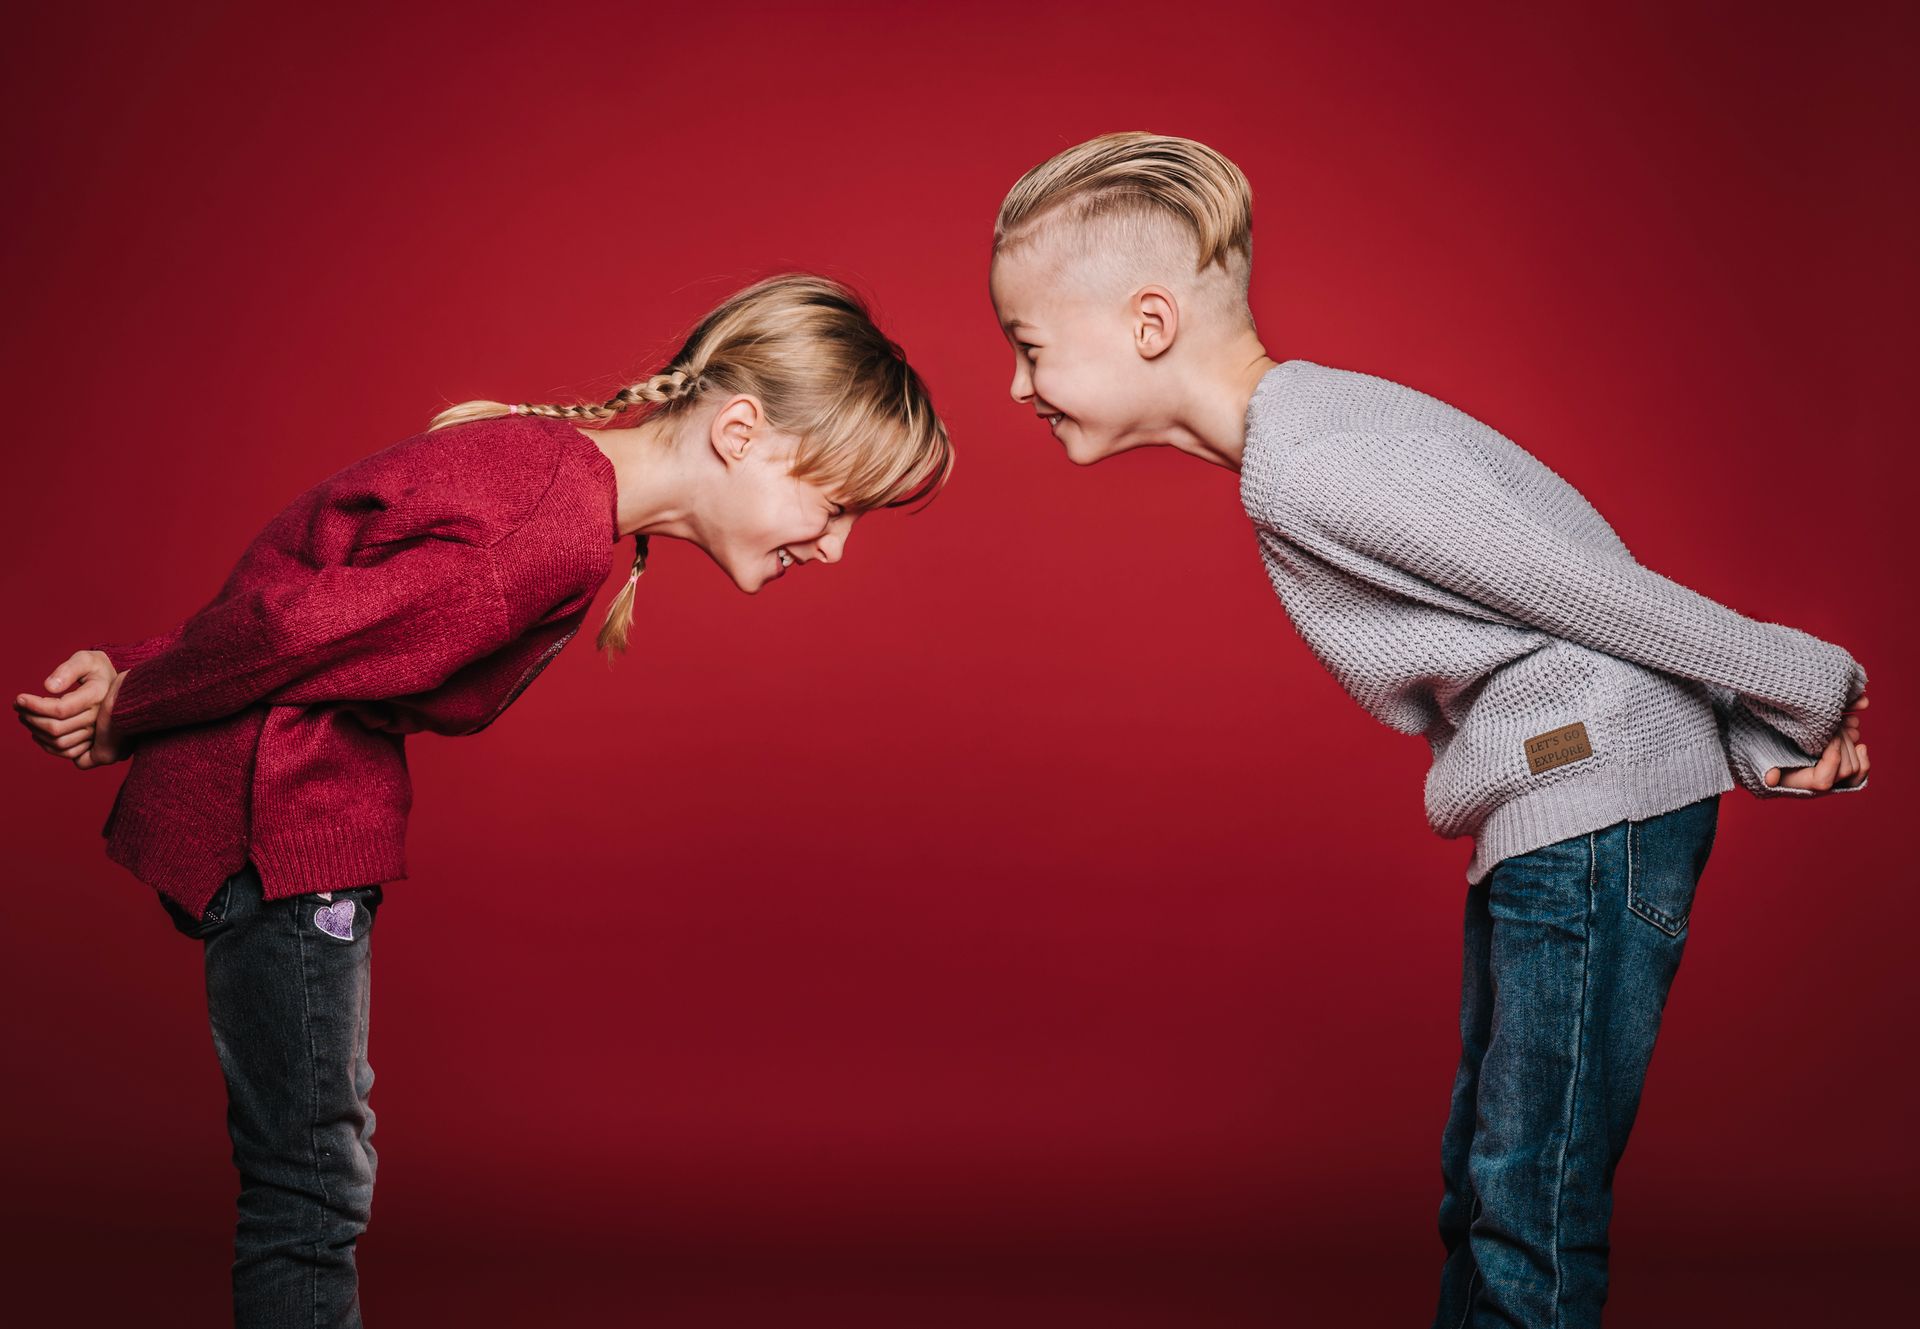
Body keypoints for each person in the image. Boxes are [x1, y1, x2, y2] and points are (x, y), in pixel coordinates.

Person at [986, 131, 1870, 1328]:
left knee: (1526, 1211)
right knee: (1494, 1189)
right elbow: (1565, 617)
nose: (1017, 388)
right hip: (1569, 807)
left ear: (1150, 324)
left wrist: (1797, 682)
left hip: (1582, 827)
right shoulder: (1307, 439)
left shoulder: (1313, 461)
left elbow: (1592, 595)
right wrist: (1747, 741)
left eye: (1029, 349)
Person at [13, 272, 952, 1329]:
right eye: (836, 505)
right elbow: (290, 633)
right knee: (310, 1187)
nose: (834, 547)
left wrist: (143, 674)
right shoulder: (545, 533)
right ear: (739, 430)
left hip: (266, 810)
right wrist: (138, 697)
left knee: (307, 1172)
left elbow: (317, 603)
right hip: (276, 830)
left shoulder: (551, 482)